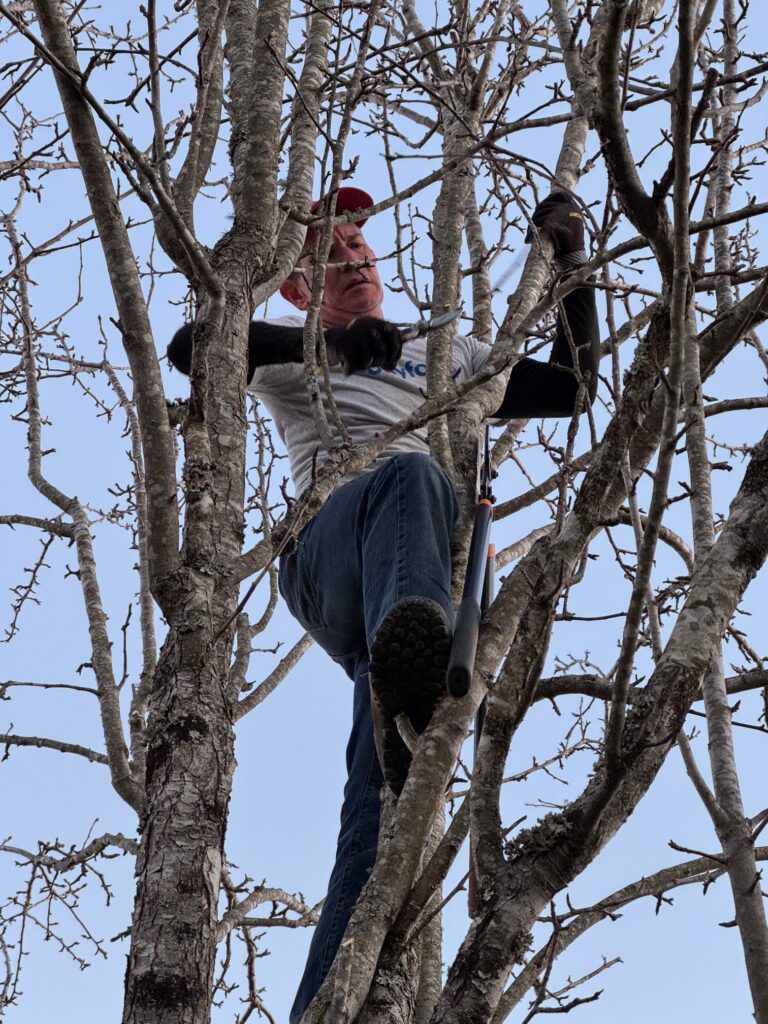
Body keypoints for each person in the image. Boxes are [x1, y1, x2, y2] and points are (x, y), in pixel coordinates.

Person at [167, 186, 600, 1022]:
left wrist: (569, 262)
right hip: (332, 557)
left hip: (415, 591)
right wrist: (329, 349)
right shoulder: (298, 349)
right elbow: (195, 345)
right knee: (407, 474)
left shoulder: (444, 355)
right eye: (331, 259)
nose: (354, 264)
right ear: (298, 287)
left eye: (360, 252)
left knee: (382, 820)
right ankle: (414, 639)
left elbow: (574, 388)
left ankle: (326, 1003)